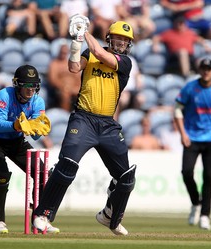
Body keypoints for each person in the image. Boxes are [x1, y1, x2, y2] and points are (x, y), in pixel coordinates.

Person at [33, 15, 136, 236]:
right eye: (117, 38)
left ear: (129, 44)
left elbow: (100, 53)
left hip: (108, 125)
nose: (121, 42)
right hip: (84, 119)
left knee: (126, 177)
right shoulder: (90, 53)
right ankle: (43, 214)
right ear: (109, 37)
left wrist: (83, 31)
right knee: (67, 165)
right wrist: (77, 42)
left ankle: (110, 216)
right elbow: (73, 67)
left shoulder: (125, 63)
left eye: (125, 40)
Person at [0, 64, 56, 234]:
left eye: (34, 86)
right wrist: (17, 125)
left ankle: (40, 217)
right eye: (26, 85)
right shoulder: (4, 95)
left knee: (44, 173)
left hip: (16, 141)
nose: (30, 90)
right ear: (17, 84)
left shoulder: (38, 101)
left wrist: (39, 130)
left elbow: (35, 135)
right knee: (1, 175)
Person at [174, 58, 211, 230]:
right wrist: (183, 133)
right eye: (204, 68)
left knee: (208, 177)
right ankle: (196, 203)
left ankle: (205, 215)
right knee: (186, 172)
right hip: (192, 137)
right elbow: (177, 109)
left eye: (209, 68)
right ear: (199, 70)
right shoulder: (190, 88)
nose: (206, 71)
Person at [47, 42, 81, 111]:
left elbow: (78, 78)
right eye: (62, 52)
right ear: (59, 52)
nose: (63, 54)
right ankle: (65, 116)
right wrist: (64, 87)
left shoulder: (72, 64)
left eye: (65, 52)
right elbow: (52, 80)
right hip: (61, 89)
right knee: (65, 94)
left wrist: (75, 88)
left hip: (73, 87)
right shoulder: (54, 64)